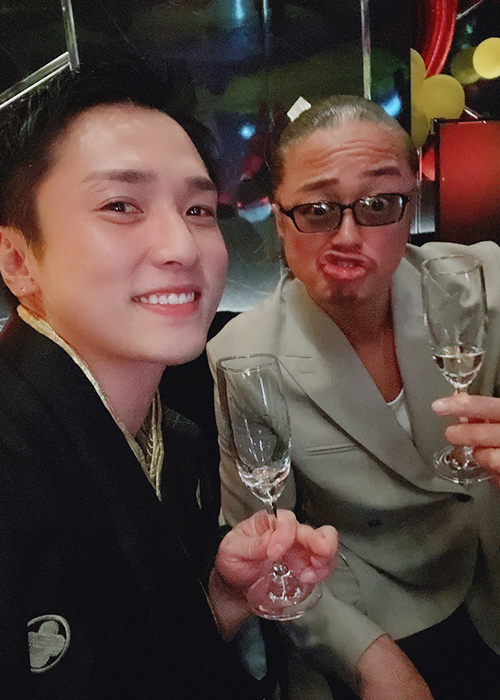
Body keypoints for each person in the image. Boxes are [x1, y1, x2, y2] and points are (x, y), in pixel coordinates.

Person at [0, 60, 337, 699]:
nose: (181, 245)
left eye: (199, 209)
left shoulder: (172, 426)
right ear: (18, 260)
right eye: (121, 205)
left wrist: (220, 597)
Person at [207, 95, 500, 700]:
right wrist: (365, 657)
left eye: (378, 204)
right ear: (280, 219)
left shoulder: (481, 285)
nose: (347, 236)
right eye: (317, 210)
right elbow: (263, 541)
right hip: (372, 606)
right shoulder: (245, 356)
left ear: (411, 204)